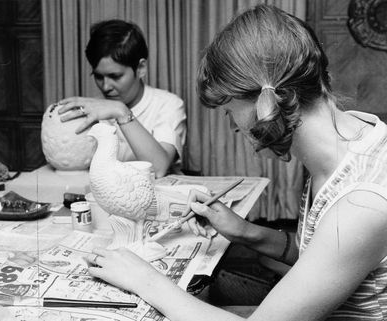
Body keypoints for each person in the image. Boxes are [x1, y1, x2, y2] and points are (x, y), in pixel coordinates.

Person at [85, 4, 387, 320]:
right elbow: (323, 256)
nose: (232, 127)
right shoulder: (348, 135)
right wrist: (243, 231)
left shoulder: (360, 204)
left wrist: (144, 279)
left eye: (230, 111)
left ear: (265, 102)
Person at [57, 19, 186, 178]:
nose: (105, 87)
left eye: (115, 76)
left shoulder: (168, 105)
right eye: (98, 76)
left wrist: (120, 111)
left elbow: (158, 168)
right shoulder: (92, 110)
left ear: (141, 69)